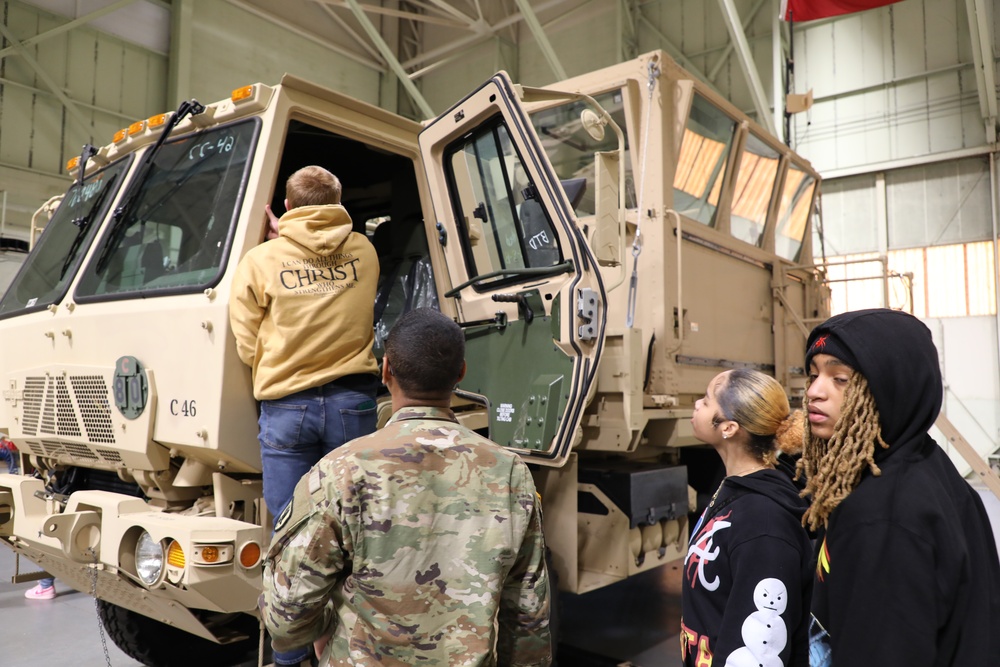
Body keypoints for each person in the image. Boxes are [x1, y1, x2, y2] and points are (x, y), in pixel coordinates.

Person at [260, 308, 552, 667]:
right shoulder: (510, 473)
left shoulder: (340, 472)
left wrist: (324, 629)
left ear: (385, 371)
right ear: (461, 373)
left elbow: (286, 619)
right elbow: (527, 616)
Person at [229, 166, 380, 667]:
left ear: (288, 207)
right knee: (355, 529)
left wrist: (274, 366)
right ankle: (352, 649)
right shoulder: (364, 250)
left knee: (290, 537)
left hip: (286, 407)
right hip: (352, 405)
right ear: (338, 201)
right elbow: (327, 254)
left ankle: (290, 658)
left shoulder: (261, 260)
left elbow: (246, 338)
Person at [799, 308, 1000, 666]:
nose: (814, 391)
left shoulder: (882, 516)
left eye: (840, 378)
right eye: (813, 375)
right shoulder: (926, 465)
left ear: (892, 386)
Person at [681, 368, 813, 667]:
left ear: (729, 427)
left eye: (707, 399)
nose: (698, 404)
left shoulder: (763, 523)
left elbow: (758, 650)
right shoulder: (735, 488)